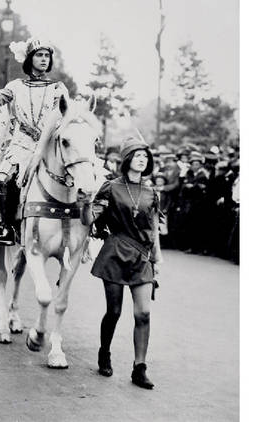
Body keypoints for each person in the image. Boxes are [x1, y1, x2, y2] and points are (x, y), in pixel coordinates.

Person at [80, 137, 164, 390]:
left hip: (142, 256)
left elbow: (154, 227)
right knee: (114, 311)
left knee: (144, 313)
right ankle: (104, 353)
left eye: (145, 156)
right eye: (137, 155)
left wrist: (157, 257)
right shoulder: (111, 187)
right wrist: (85, 203)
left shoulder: (152, 192)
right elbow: (89, 220)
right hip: (115, 253)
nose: (143, 159)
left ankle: (140, 368)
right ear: (128, 159)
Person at [0, 38, 70, 245]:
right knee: (0, 178)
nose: (44, 59)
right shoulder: (15, 86)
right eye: (39, 55)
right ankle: (6, 226)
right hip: (20, 145)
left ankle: (81, 226)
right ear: (29, 59)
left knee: (78, 173)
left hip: (48, 144)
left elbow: (59, 116)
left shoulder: (57, 88)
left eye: (47, 56)